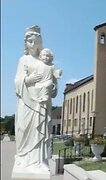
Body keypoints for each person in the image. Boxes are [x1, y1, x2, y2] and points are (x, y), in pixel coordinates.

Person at [13, 25, 56, 174]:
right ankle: (23, 159)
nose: (32, 45)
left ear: (39, 43)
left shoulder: (44, 61)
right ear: (25, 43)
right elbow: (17, 81)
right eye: (29, 41)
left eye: (35, 42)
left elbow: (51, 81)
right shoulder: (23, 60)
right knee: (23, 128)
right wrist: (28, 80)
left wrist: (53, 87)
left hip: (40, 104)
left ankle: (39, 161)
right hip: (26, 102)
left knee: (40, 130)